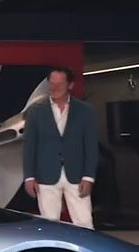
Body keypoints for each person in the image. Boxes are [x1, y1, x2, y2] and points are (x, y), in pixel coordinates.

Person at [22, 66, 98, 229]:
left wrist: (88, 176)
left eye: (60, 84)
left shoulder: (85, 111)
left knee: (84, 222)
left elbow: (91, 145)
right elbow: (29, 146)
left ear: (70, 85)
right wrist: (29, 176)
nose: (54, 88)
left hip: (77, 174)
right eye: (52, 83)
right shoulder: (35, 112)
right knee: (49, 223)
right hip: (45, 174)